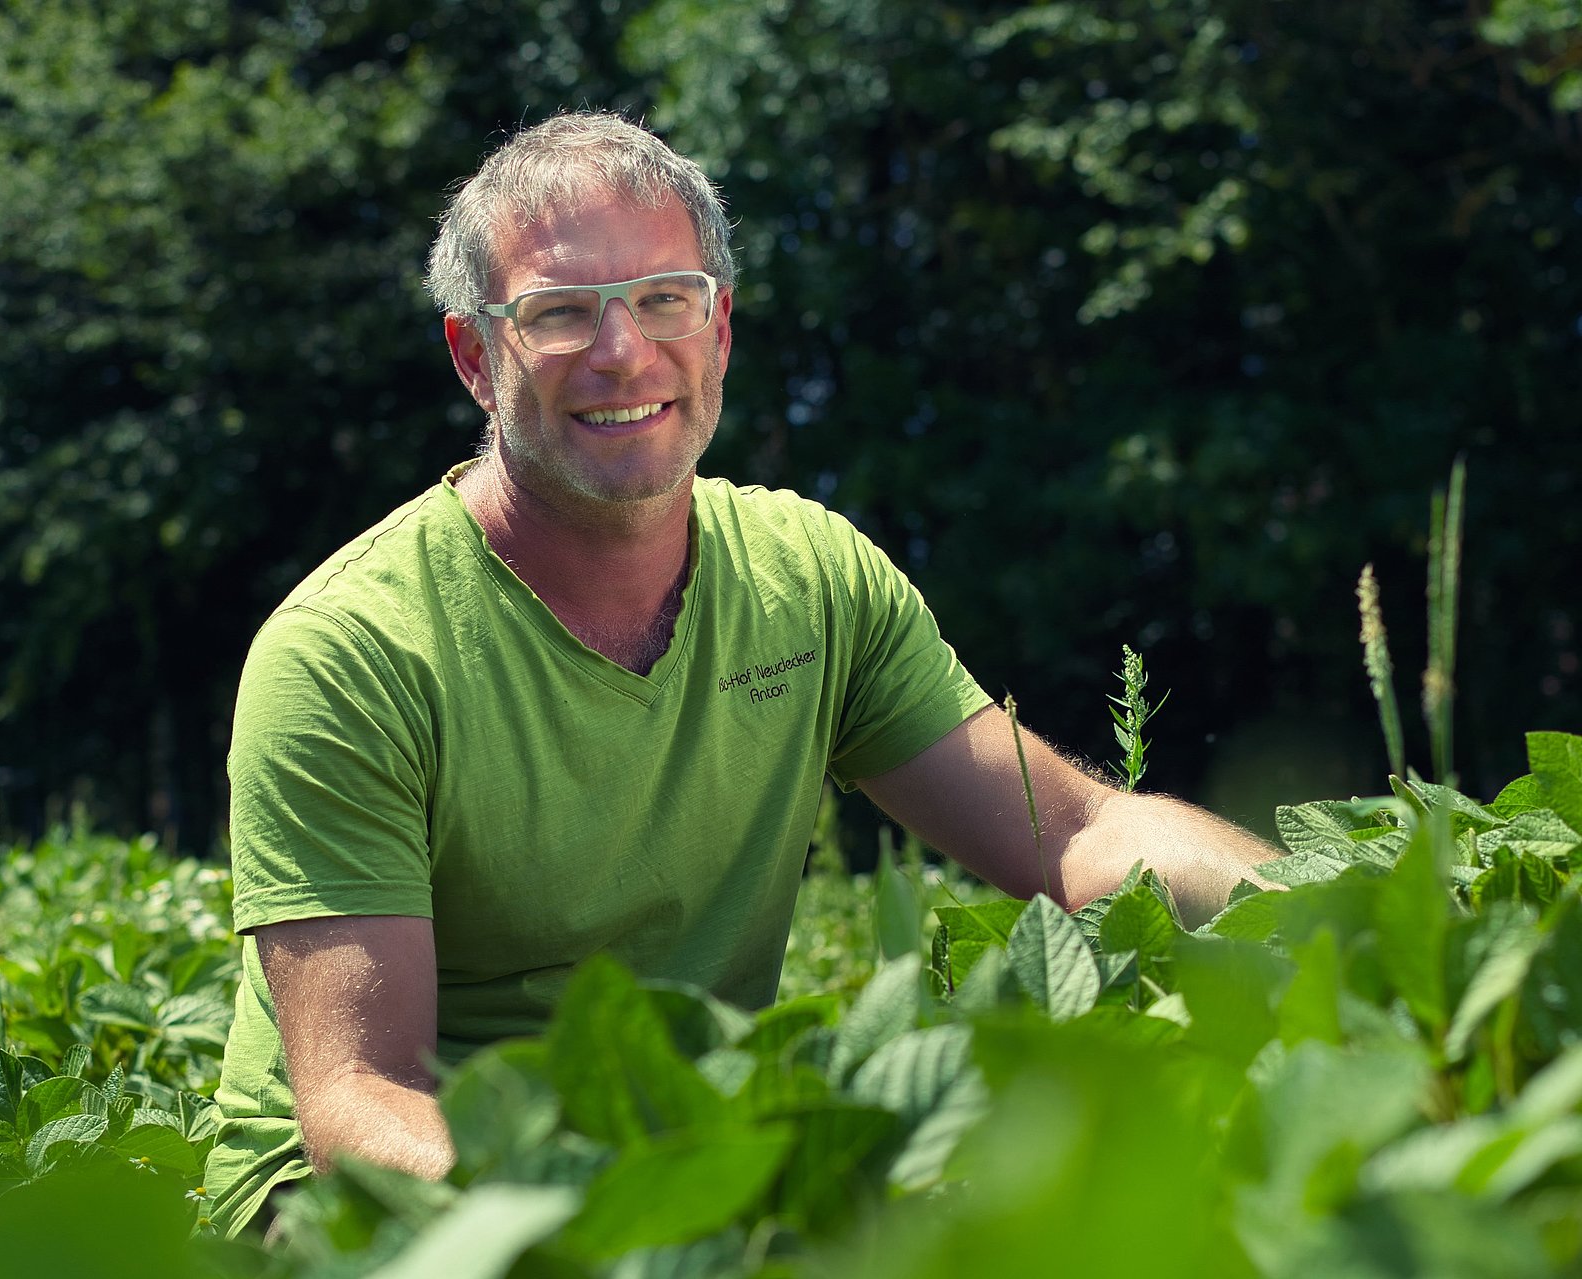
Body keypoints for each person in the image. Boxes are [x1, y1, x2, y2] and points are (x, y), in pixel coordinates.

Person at [204, 110, 1279, 1236]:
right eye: (559, 314)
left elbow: (1075, 837)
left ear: (718, 328)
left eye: (663, 297)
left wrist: (1343, 912)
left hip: (693, 1160)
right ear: (476, 356)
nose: (622, 352)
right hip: (371, 1206)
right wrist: (668, 1212)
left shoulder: (807, 578)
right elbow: (358, 1108)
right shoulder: (348, 653)